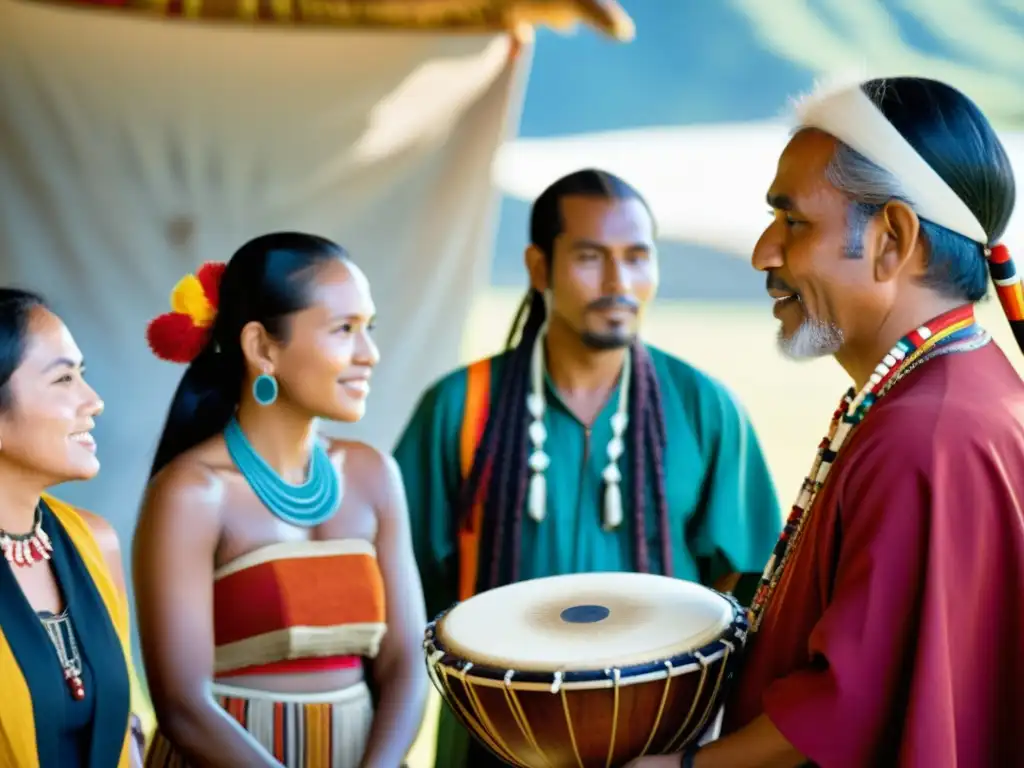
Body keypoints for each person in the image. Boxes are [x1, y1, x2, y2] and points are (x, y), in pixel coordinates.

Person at [628, 77, 1024, 768]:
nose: (763, 252)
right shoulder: (953, 389)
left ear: (892, 238)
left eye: (795, 222)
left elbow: (855, 699)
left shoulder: (927, 434)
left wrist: (681, 767)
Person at [394, 169, 783, 768]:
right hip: (495, 740)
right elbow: (403, 587)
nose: (618, 282)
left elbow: (751, 588)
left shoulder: (703, 406)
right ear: (538, 266)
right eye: (589, 257)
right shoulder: (459, 406)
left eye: (636, 258)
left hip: (655, 746)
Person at [133, 232, 428, 768]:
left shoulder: (374, 476)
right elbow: (181, 705)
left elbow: (406, 662)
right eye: (344, 330)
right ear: (262, 348)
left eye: (370, 328)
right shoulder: (192, 494)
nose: (370, 354)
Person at [0, 288, 146, 768]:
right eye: (63, 379)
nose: (94, 401)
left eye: (82, 375)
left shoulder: (93, 542)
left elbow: (129, 729)